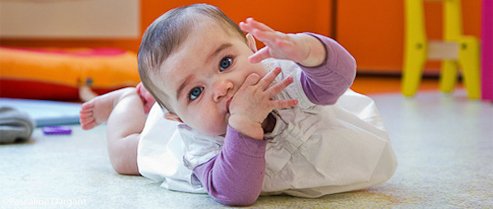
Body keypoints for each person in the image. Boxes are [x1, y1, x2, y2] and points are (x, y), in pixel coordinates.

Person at [81, 3, 397, 206]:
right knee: (124, 157)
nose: (222, 87)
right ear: (177, 116)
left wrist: (306, 49)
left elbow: (338, 77)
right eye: (195, 92)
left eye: (225, 62)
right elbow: (236, 193)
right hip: (179, 130)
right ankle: (127, 100)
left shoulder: (280, 78)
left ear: (252, 46)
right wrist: (244, 123)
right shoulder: (197, 145)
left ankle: (156, 95)